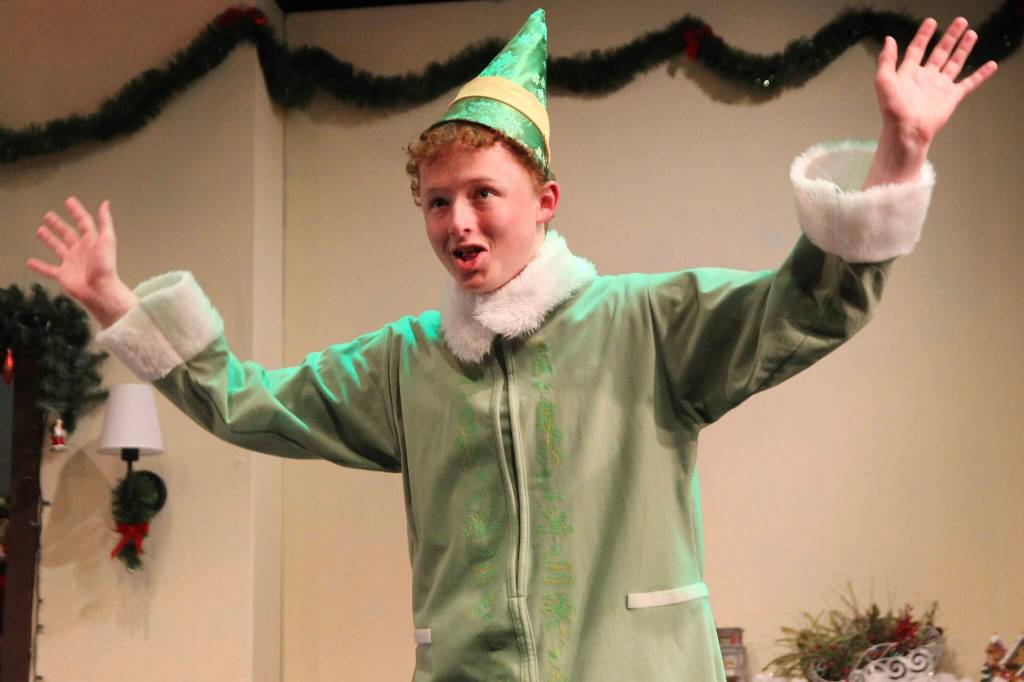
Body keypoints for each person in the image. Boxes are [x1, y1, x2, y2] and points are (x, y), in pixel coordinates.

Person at [26, 10, 996, 681]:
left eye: (482, 193)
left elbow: (807, 307)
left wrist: (898, 156)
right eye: (436, 201)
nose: (458, 221)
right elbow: (250, 402)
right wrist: (113, 297)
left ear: (545, 201)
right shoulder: (405, 362)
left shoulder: (646, 321)